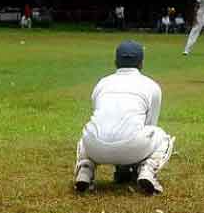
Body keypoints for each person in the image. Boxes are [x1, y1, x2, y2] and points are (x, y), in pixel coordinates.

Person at [74, 40, 175, 195]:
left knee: (88, 133)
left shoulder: (102, 83)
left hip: (95, 148)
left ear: (115, 62)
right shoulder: (152, 86)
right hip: (133, 147)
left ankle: (85, 172)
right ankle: (147, 171)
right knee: (163, 138)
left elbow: (102, 117)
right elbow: (150, 124)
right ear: (141, 63)